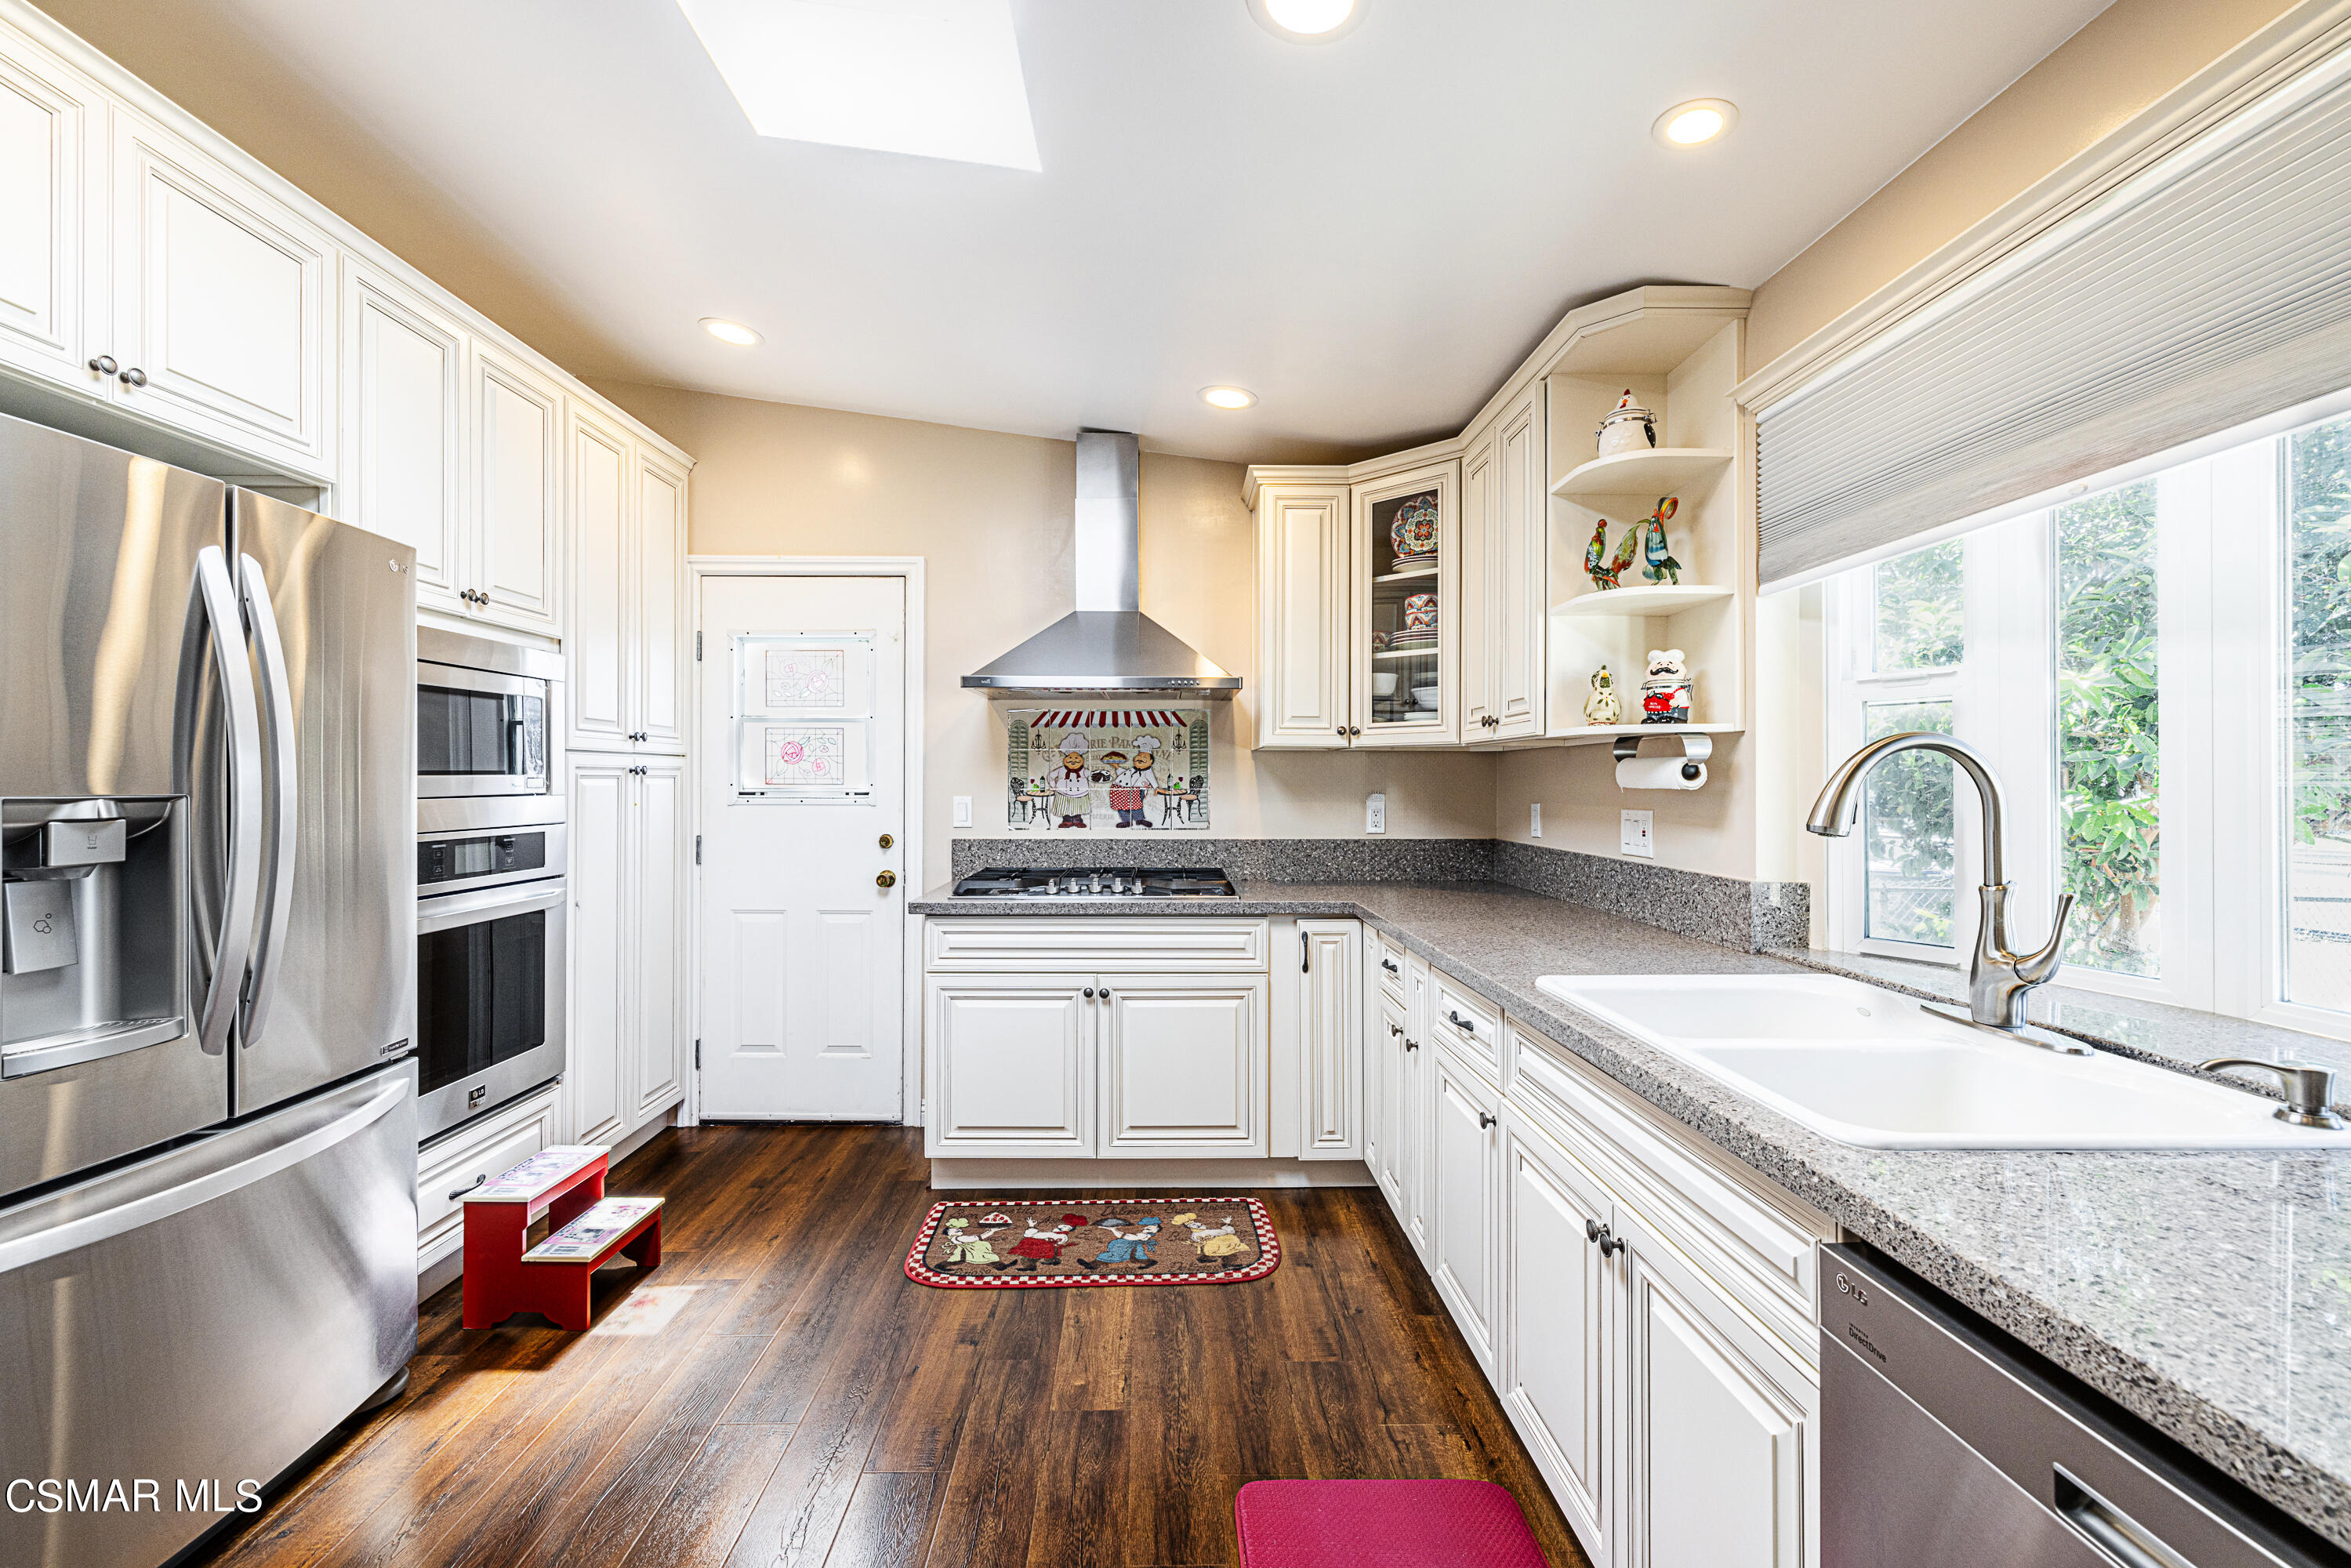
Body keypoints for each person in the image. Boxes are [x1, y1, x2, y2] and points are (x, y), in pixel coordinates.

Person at [1047, 731, 1092, 829]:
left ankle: (1077, 821)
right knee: (1066, 808)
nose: (1073, 760)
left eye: (1076, 757)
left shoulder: (1084, 771)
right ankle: (1067, 821)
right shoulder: (1061, 770)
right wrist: (1054, 786)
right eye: (1070, 757)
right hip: (1063, 793)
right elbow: (1050, 776)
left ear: (1081, 759)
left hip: (1080, 794)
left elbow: (1092, 776)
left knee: (1077, 808)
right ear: (1065, 759)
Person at [1080, 1216, 1161, 1270]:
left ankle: (1094, 1265)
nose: (1145, 1228)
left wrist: (1113, 1230)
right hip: (1128, 1244)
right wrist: (1111, 1229)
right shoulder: (1144, 1233)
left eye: (1149, 1228)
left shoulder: (1144, 1235)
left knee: (1116, 1254)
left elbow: (1128, 1237)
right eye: (1147, 1226)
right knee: (1135, 1257)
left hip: (1126, 1245)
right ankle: (1094, 1264)